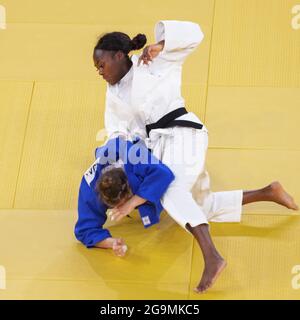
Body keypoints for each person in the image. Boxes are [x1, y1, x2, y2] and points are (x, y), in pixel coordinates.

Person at [93, 20, 299, 293]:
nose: (99, 71)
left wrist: (162, 45)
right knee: (200, 206)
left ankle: (212, 257)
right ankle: (268, 192)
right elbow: (117, 133)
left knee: (171, 192)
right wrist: (117, 168)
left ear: (119, 56)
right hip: (160, 146)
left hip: (183, 133)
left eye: (101, 64)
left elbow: (194, 34)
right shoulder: (113, 93)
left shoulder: (153, 61)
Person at [74, 137, 174, 257]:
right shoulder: (89, 188)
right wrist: (112, 243)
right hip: (110, 155)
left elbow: (163, 174)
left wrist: (131, 203)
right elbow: (85, 230)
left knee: (174, 186)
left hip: (149, 141)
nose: (120, 208)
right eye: (115, 206)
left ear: (129, 186)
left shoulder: (133, 156)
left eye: (123, 202)